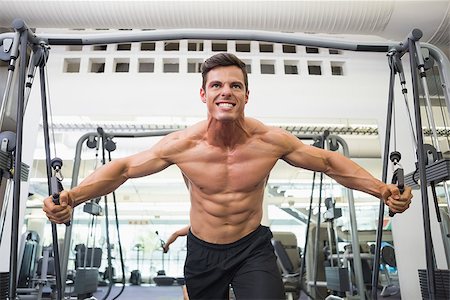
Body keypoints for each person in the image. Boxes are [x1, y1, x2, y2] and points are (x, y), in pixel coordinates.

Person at [43, 52, 413, 300]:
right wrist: (72, 197)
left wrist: (382, 190)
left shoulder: (271, 141)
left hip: (251, 247)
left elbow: (331, 163)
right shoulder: (182, 145)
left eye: (235, 85)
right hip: (202, 252)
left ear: (246, 95)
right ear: (203, 94)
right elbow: (123, 169)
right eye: (217, 85)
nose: (226, 92)